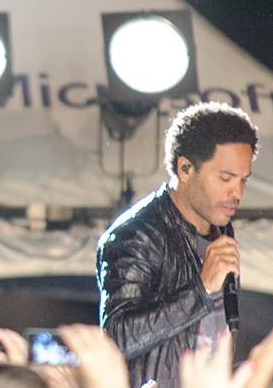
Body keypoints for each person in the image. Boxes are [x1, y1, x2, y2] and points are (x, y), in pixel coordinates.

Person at [96, 101, 259, 388]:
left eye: (243, 180)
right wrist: (200, 289)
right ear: (185, 168)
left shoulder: (222, 229)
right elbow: (114, 341)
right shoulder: (136, 234)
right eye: (226, 178)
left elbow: (211, 338)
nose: (238, 192)